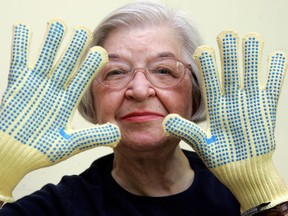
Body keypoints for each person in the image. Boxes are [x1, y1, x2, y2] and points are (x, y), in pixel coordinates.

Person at [0, 1, 287, 215]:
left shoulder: (240, 196)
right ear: (91, 98)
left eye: (163, 70)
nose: (139, 90)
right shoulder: (57, 208)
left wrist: (260, 193)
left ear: (196, 94)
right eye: (115, 72)